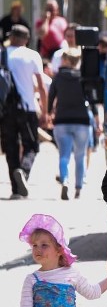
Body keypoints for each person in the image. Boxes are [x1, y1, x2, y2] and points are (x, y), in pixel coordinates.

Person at [2, 25, 48, 199]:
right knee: (31, 146)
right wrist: (45, 111)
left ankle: (16, 190)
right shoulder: (32, 55)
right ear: (26, 39)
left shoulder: (2, 54)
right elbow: (42, 86)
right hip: (27, 108)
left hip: (6, 110)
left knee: (11, 147)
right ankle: (24, 171)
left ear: (12, 37)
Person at [47, 48, 98, 200]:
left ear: (67, 60)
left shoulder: (58, 77)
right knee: (80, 155)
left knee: (64, 155)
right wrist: (96, 118)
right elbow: (92, 99)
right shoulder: (83, 78)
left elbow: (51, 96)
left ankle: (65, 180)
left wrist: (49, 113)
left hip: (62, 120)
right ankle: (78, 188)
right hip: (82, 121)